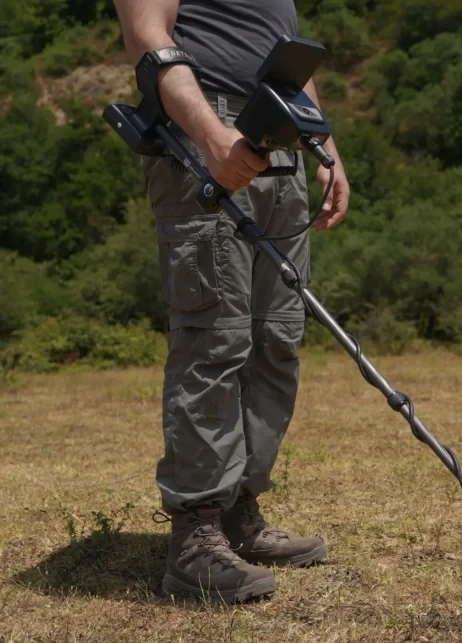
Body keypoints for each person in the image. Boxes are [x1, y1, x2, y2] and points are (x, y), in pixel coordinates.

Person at [114, 0, 350, 603]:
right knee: (214, 339)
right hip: (206, 132)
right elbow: (147, 37)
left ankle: (239, 511)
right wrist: (212, 137)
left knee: (276, 337)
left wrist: (323, 146)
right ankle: (195, 537)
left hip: (282, 138)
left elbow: (287, 58)